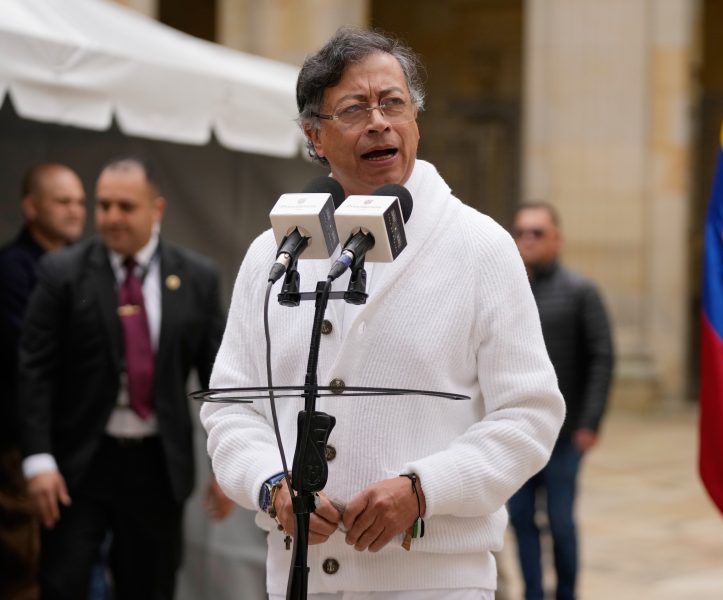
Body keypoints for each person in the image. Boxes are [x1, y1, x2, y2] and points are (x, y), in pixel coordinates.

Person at [201, 27, 566, 600]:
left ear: (415, 119)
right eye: (354, 109)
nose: (379, 122)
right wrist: (271, 485)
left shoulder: (481, 248)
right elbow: (231, 409)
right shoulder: (271, 255)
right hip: (298, 579)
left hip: (435, 584)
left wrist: (424, 490)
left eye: (393, 103)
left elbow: (530, 415)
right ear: (314, 135)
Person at [17, 156, 226, 600]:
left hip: (157, 465)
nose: (111, 217)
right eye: (103, 205)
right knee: (62, 583)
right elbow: (34, 369)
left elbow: (217, 378)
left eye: (125, 207)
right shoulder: (62, 272)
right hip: (79, 462)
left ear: (157, 209)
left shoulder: (197, 277)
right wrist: (38, 459)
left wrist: (226, 465)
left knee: (149, 586)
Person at [506, 203, 614, 600]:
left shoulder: (581, 291)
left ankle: (567, 593)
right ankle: (533, 592)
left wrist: (590, 422)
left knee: (560, 521)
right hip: (516, 435)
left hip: (565, 436)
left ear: (558, 239)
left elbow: (601, 356)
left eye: (537, 232)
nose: (527, 240)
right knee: (519, 519)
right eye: (521, 232)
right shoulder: (509, 291)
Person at [0, 163, 86, 600]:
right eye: (62, 201)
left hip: (73, 443)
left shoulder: (83, 267)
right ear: (31, 207)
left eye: (80, 202)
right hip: (21, 445)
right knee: (24, 562)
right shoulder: (12, 271)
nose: (75, 211)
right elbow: (31, 360)